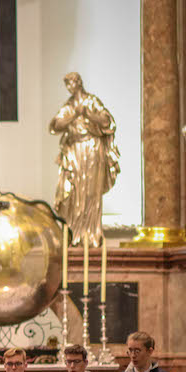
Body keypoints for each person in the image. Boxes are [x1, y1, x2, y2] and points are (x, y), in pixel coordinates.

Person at [49, 70, 119, 247]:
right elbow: (56, 125)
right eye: (68, 84)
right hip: (74, 152)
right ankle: (74, 233)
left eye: (73, 82)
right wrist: (74, 114)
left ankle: (91, 234)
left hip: (92, 149)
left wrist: (87, 113)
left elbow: (106, 121)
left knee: (91, 192)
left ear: (79, 83)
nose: (71, 87)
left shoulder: (91, 101)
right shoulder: (69, 106)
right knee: (74, 194)